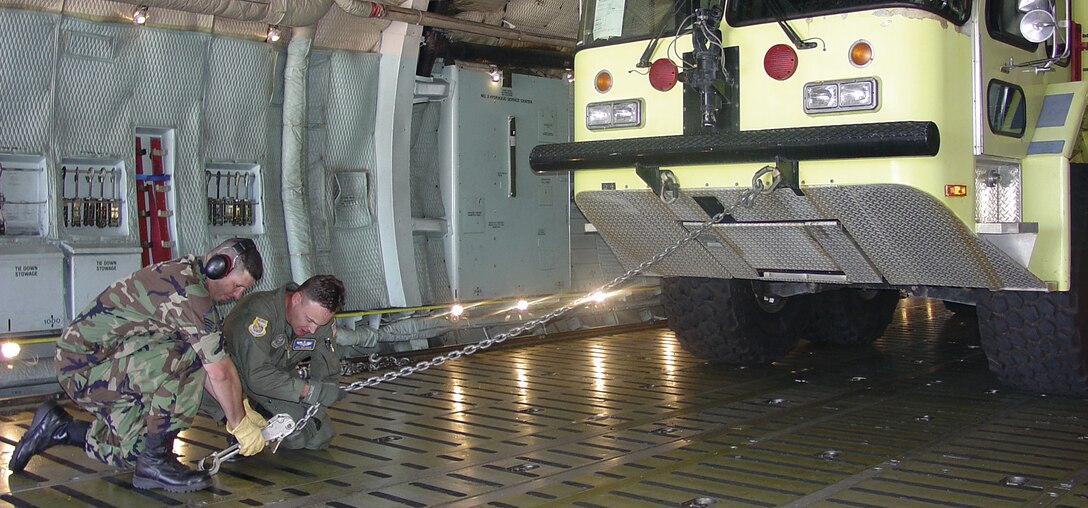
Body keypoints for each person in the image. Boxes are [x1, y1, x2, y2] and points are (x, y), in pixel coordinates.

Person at [9, 238, 269, 493]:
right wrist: (238, 423)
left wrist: (238, 411)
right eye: (237, 286)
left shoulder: (190, 277)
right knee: (190, 353)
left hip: (108, 363)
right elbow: (218, 371)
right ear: (217, 267)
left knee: (137, 452)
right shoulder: (190, 292)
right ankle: (157, 462)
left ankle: (59, 429)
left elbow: (216, 373)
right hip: (84, 367)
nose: (237, 296)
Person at [202, 274, 347, 451]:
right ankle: (236, 421)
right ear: (296, 299)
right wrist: (306, 391)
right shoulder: (258, 313)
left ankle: (265, 415)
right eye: (309, 320)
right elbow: (257, 376)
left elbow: (328, 377)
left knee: (319, 437)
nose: (313, 330)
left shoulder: (320, 321)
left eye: (319, 324)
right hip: (234, 380)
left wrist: (316, 415)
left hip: (277, 381)